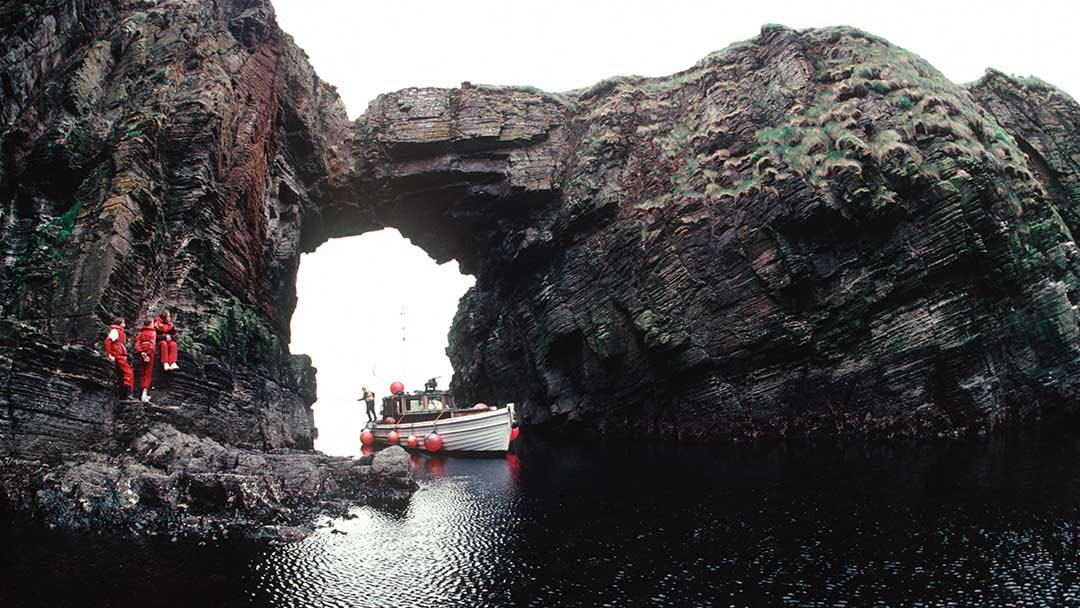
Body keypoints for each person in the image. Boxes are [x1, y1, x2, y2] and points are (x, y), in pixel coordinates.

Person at [104, 317, 134, 399]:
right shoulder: (115, 331)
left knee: (124, 374)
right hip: (118, 355)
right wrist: (109, 354)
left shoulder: (120, 331)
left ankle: (125, 394)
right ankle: (128, 394)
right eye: (123, 322)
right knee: (129, 373)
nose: (124, 324)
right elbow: (108, 341)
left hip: (121, 355)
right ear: (120, 323)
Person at [134, 319, 157, 402]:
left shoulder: (141, 333)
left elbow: (137, 344)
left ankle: (140, 393)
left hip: (141, 354)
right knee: (148, 373)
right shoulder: (153, 332)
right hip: (149, 354)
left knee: (142, 373)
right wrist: (148, 354)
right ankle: (144, 394)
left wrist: (141, 352)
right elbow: (152, 344)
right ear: (151, 324)